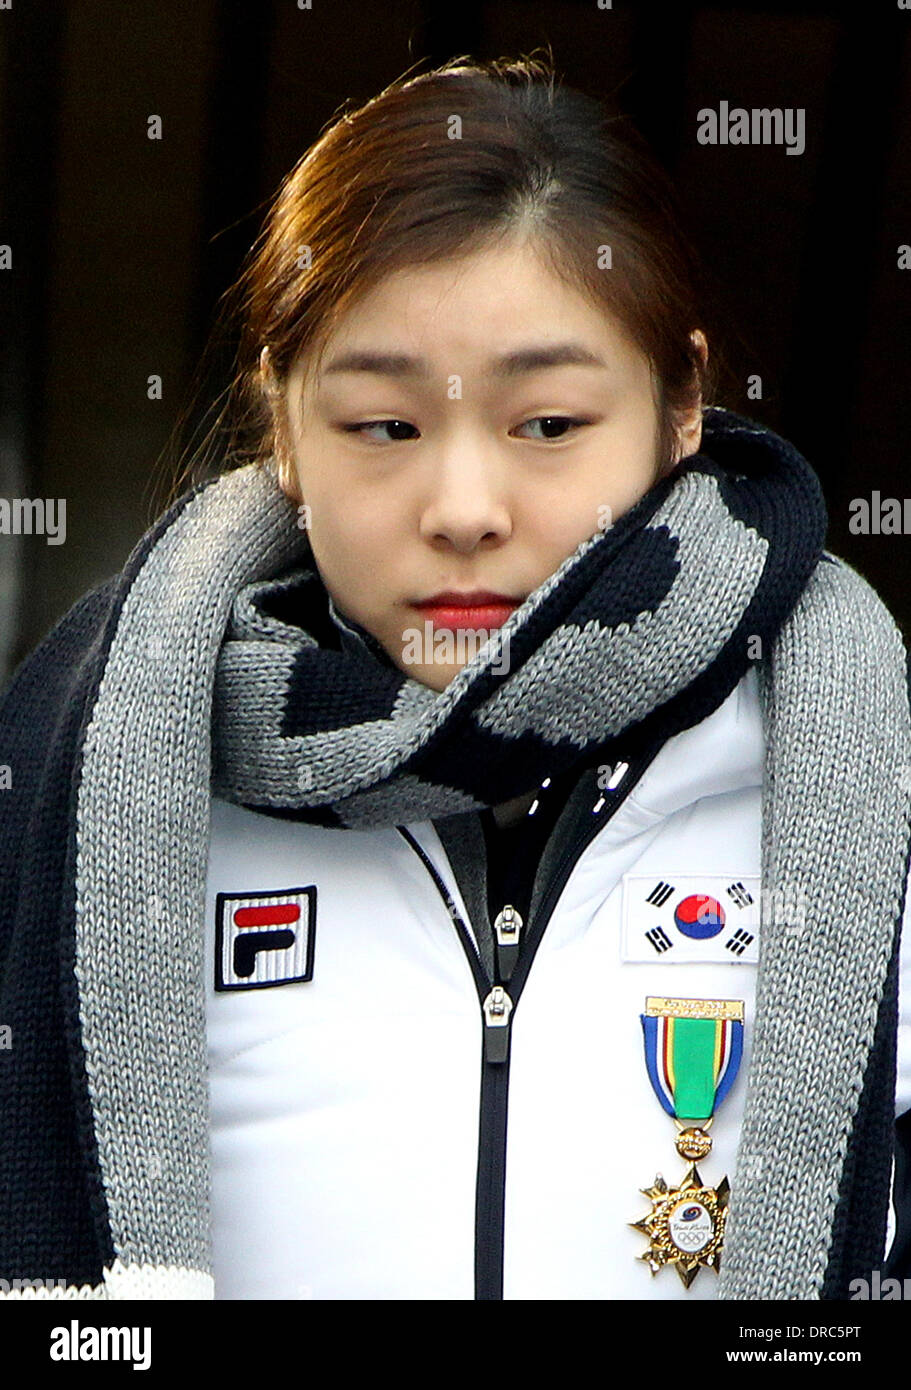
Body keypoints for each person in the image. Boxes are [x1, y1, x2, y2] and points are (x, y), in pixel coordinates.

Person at [1, 53, 910, 1303]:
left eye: (545, 424)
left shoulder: (866, 781)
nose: (463, 508)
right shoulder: (76, 780)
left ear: (681, 404)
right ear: (282, 426)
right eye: (384, 427)